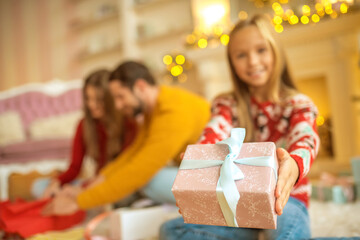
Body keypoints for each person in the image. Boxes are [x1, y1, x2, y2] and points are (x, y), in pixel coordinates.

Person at [160, 14, 320, 240]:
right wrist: (200, 158)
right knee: (171, 230)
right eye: (241, 55)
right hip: (238, 201)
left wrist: (294, 164)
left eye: (261, 50)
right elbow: (214, 130)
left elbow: (306, 140)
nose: (253, 61)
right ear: (232, 63)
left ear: (276, 51)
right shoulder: (227, 104)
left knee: (290, 234)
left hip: (286, 198)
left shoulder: (299, 105)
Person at [42, 61, 211, 215]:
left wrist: (79, 202)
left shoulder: (173, 111)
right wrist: (99, 180)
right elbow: (133, 154)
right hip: (203, 175)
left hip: (216, 182)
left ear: (141, 87)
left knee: (149, 180)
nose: (117, 105)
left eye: (120, 96)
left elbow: (140, 169)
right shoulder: (156, 108)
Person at [32, 69, 137, 199]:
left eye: (98, 99)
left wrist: (83, 190)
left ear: (110, 99)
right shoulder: (84, 125)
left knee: (126, 194)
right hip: (95, 183)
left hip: (116, 182)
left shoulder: (128, 123)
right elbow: (75, 168)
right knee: (38, 186)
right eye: (88, 98)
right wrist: (55, 183)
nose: (91, 105)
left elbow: (125, 167)